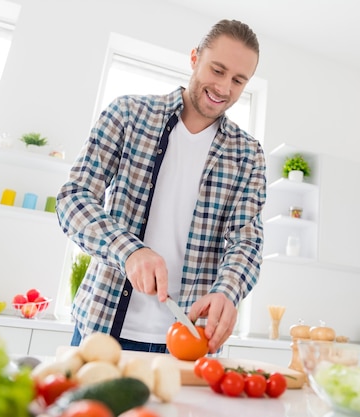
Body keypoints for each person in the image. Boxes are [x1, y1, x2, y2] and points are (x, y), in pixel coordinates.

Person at [56, 19, 266, 354]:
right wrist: (130, 251)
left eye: (238, 80)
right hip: (102, 328)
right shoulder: (129, 114)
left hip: (190, 342)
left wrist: (228, 290)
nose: (224, 87)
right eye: (217, 70)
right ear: (195, 58)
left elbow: (246, 241)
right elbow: (73, 200)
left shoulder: (248, 155)